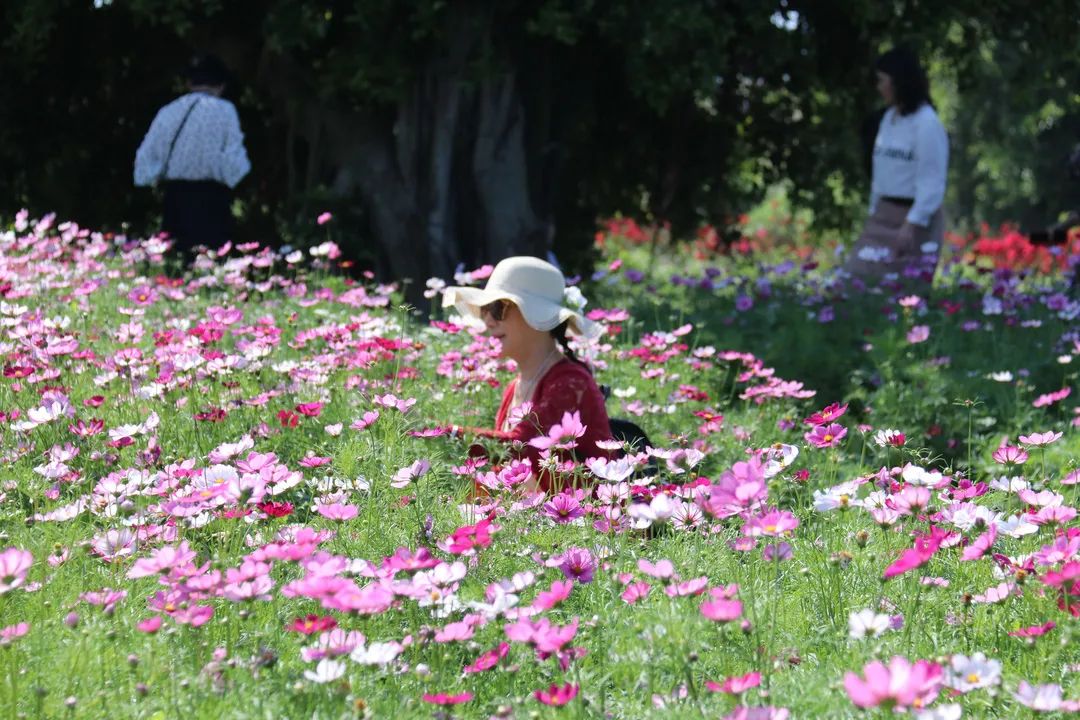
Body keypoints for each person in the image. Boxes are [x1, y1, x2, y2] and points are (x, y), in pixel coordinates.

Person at [442, 256, 615, 494]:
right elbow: (507, 471)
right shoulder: (516, 386)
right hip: (536, 522)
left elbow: (520, 448)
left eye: (497, 308)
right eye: (485, 309)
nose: (488, 320)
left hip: (586, 525)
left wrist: (440, 434)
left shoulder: (570, 382)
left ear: (537, 316)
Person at [844, 47, 949, 284]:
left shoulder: (926, 124)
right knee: (854, 280)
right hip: (883, 214)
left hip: (913, 220)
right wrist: (874, 210)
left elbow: (932, 180)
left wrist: (912, 224)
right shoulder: (888, 120)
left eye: (882, 81)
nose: (879, 88)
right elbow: (882, 171)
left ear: (899, 82)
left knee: (904, 291)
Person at [134, 54, 251, 262]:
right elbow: (235, 163)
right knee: (211, 263)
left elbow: (146, 157)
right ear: (221, 85)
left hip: (175, 197)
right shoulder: (225, 111)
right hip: (212, 198)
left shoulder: (169, 111)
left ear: (189, 83)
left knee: (177, 263)